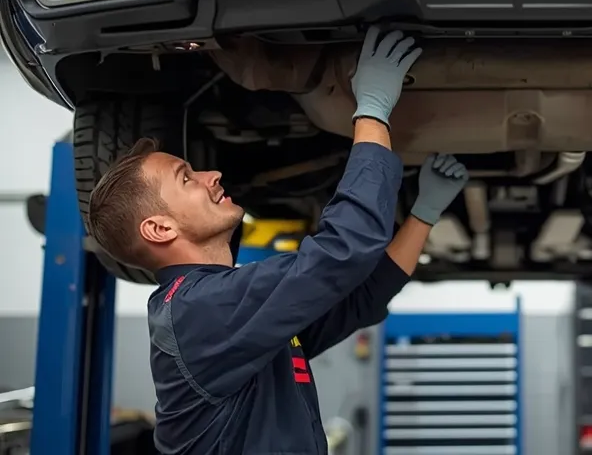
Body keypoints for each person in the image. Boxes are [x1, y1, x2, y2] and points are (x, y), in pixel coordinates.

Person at [84, 27, 466, 454]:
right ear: (160, 229)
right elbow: (345, 250)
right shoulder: (200, 312)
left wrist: (422, 215)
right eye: (187, 179)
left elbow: (358, 295)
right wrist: (371, 111)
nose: (212, 176)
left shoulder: (223, 317)